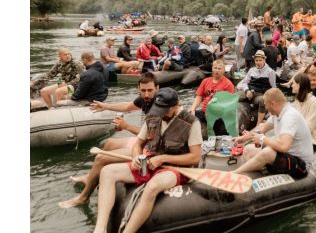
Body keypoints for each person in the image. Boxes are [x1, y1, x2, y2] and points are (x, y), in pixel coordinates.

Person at [93, 88, 202, 233]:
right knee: (107, 172)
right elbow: (138, 144)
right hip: (149, 163)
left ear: (176, 106)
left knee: (153, 186)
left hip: (175, 169)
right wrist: (136, 156)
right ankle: (100, 229)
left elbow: (195, 157)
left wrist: (163, 158)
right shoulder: (153, 116)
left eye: (164, 110)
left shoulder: (191, 122)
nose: (160, 114)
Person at [58, 73, 159, 209]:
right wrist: (105, 106)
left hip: (154, 147)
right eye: (143, 90)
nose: (146, 94)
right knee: (110, 143)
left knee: (101, 158)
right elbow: (127, 106)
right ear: (138, 89)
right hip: (145, 141)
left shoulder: (160, 106)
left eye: (150, 90)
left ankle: (83, 197)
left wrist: (127, 126)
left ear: (157, 88)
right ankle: (91, 177)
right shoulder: (144, 99)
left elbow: (150, 137)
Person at [232, 88, 313, 179]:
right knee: (248, 149)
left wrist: (262, 139)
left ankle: (235, 173)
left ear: (272, 103)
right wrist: (244, 138)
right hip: (286, 157)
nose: (266, 108)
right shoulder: (278, 113)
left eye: (266, 105)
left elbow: (284, 146)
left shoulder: (289, 116)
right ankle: (254, 178)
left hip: (300, 165)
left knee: (268, 152)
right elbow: (262, 128)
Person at [189, 60, 235, 135]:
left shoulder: (228, 84)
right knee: (187, 114)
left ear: (223, 70)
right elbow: (199, 96)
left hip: (219, 115)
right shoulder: (205, 81)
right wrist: (193, 108)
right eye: (215, 68)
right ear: (212, 69)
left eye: (219, 69)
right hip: (204, 112)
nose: (217, 70)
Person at [237, 50, 277, 125]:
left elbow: (273, 87)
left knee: (262, 100)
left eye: (260, 60)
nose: (258, 62)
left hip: (260, 94)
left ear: (264, 60)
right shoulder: (251, 70)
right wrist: (247, 91)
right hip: (249, 91)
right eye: (256, 60)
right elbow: (245, 82)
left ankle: (258, 123)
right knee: (235, 96)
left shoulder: (270, 72)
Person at [291, 73, 316, 154]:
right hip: (299, 138)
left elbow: (308, 127)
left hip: (313, 141)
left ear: (299, 85)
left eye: (293, 83)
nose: (291, 85)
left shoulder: (313, 102)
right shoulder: (297, 100)